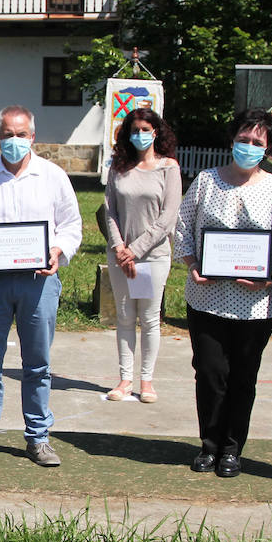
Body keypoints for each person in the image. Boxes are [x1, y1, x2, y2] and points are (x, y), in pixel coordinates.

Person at [0, 105, 81, 468]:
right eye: (8, 134)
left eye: (21, 134)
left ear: (33, 137)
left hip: (38, 283)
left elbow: (72, 226)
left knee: (38, 363)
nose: (14, 140)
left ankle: (38, 437)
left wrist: (58, 251)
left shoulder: (53, 177)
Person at [173, 108, 272, 478]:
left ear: (267, 148)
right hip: (207, 299)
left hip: (257, 305)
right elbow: (182, 228)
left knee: (243, 377)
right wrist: (193, 264)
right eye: (243, 139)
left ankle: (231, 448)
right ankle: (208, 446)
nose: (249, 146)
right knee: (210, 374)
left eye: (257, 141)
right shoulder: (206, 181)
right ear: (232, 140)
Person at [103, 108, 181, 403]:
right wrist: (119, 247)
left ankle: (146, 381)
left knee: (148, 318)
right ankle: (125, 380)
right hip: (120, 256)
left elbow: (168, 217)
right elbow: (109, 210)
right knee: (124, 316)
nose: (140, 135)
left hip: (150, 257)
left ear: (156, 132)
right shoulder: (119, 167)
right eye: (134, 130)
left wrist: (135, 250)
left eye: (145, 129)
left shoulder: (168, 167)